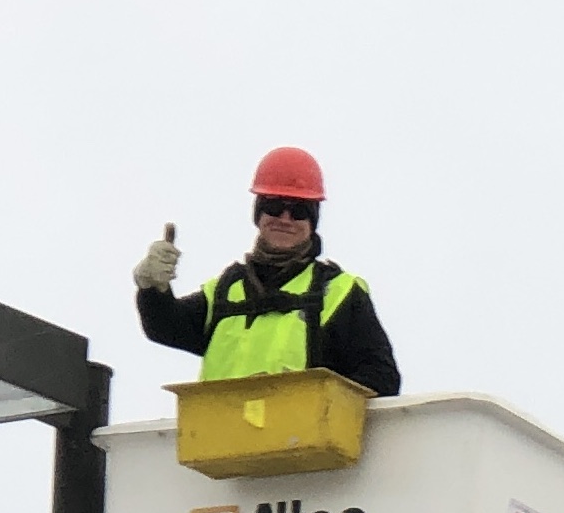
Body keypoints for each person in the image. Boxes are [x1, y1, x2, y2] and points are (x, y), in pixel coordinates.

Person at [133, 147, 401, 396]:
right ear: (259, 214)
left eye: (299, 211)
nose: (285, 219)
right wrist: (152, 288)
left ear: (312, 221)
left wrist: (317, 399)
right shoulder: (226, 289)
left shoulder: (339, 293)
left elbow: (382, 378)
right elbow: (164, 327)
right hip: (221, 442)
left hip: (302, 444)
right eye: (274, 207)